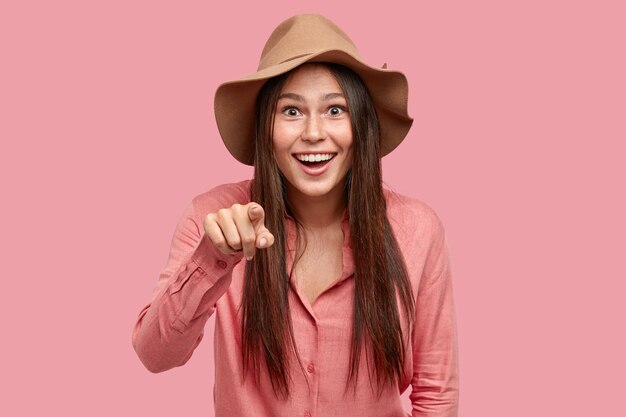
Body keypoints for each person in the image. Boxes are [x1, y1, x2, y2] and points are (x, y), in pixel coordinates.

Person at [132, 13, 459, 417]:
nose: (314, 133)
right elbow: (155, 354)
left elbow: (436, 393)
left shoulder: (418, 230)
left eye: (335, 110)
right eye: (291, 111)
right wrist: (213, 259)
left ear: (361, 124)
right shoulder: (211, 216)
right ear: (264, 126)